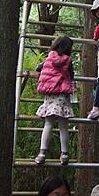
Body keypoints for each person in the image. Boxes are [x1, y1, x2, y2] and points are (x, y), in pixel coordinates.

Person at [34, 36, 75, 166]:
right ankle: (64, 155)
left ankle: (42, 153)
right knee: (63, 127)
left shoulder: (49, 58)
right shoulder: (68, 61)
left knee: (48, 124)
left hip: (50, 95)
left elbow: (38, 68)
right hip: (62, 95)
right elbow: (71, 75)